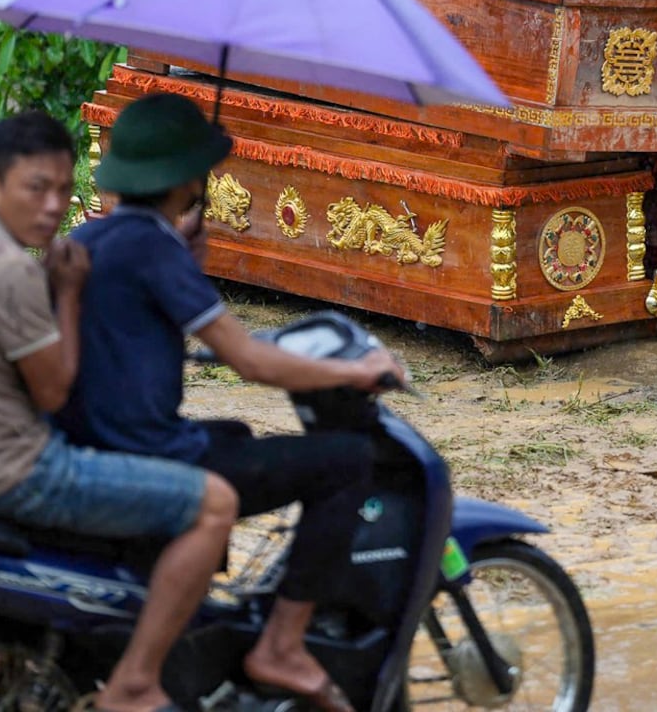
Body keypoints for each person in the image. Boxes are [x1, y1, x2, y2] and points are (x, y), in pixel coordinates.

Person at [55, 93, 401, 712]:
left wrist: (189, 269)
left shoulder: (103, 238)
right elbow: (249, 359)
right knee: (344, 460)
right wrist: (353, 369)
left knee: (237, 436)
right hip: (145, 454)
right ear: (188, 177)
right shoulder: (155, 249)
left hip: (93, 440)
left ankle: (190, 623)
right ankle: (283, 647)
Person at [0, 110, 238, 712]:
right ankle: (137, 683)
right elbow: (54, 391)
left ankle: (20, 657)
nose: (55, 205)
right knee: (213, 502)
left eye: (63, 187)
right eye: (36, 188)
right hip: (21, 476)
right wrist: (72, 295)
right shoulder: (7, 271)